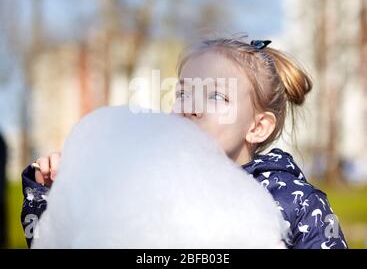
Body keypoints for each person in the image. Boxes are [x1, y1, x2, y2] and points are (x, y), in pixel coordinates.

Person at [20, 37, 348, 249]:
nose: (190, 106)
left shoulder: (299, 204)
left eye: (216, 95)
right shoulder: (147, 184)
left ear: (258, 127)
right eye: (183, 93)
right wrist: (48, 194)